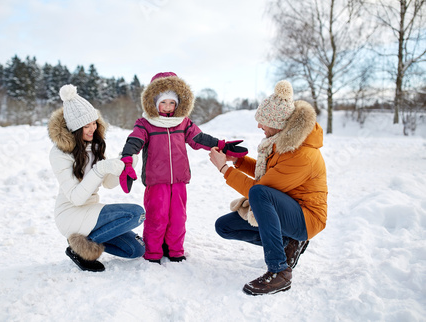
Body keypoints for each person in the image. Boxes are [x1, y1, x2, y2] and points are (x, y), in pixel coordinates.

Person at [209, 80, 327, 295]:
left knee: (258, 193)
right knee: (224, 226)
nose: (259, 126)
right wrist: (237, 161)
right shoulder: (285, 142)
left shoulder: (302, 154)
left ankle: (279, 271)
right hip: (286, 209)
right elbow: (270, 174)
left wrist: (224, 168)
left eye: (263, 122)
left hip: (306, 218)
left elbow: (260, 189)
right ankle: (286, 242)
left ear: (278, 123)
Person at [120, 72, 247, 264]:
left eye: (172, 103)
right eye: (163, 103)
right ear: (154, 102)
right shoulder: (146, 124)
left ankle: (175, 250)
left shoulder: (183, 122)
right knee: (157, 216)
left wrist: (222, 145)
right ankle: (154, 252)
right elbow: (134, 142)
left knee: (178, 218)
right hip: (156, 182)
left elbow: (199, 139)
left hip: (179, 180)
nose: (168, 107)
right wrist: (127, 160)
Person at [48, 84, 146, 272]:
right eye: (86, 126)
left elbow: (108, 183)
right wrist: (100, 169)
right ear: (75, 129)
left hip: (92, 211)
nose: (92, 128)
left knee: (137, 249)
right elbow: (76, 198)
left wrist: (124, 165)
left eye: (94, 122)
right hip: (71, 214)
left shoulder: (94, 145)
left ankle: (91, 239)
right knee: (136, 213)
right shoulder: (59, 154)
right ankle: (78, 248)